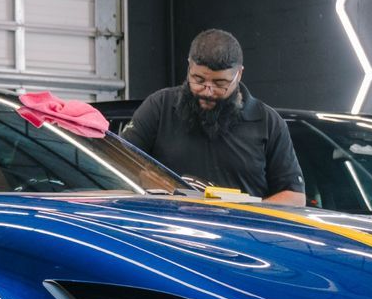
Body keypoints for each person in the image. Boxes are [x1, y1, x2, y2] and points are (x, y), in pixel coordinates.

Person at [121, 29, 306, 205]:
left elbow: (295, 197)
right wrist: (142, 177)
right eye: (198, 80)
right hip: (167, 225)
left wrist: (248, 214)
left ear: (239, 74)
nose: (207, 91)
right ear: (189, 67)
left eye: (220, 83)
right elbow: (117, 162)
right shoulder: (160, 107)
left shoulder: (268, 123)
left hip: (239, 226)